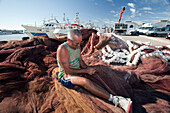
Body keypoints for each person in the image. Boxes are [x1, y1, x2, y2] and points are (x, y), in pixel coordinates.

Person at [56, 29, 132, 113]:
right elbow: (68, 71)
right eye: (76, 43)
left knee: (99, 70)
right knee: (85, 82)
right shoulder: (62, 49)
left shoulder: (77, 46)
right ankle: (116, 100)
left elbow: (80, 61)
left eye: (80, 42)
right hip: (66, 76)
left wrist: (88, 68)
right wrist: (85, 71)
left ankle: (116, 93)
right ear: (68, 40)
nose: (78, 45)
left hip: (78, 71)